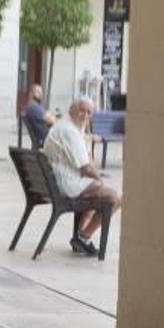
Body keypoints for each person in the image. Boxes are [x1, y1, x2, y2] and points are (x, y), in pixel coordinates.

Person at [42, 97, 122, 256]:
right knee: (116, 196)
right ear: (72, 109)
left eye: (89, 112)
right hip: (67, 186)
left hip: (57, 183)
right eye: (82, 110)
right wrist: (99, 178)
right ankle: (83, 237)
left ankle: (81, 236)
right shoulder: (70, 131)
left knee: (98, 188)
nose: (85, 115)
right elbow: (86, 168)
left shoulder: (64, 126)